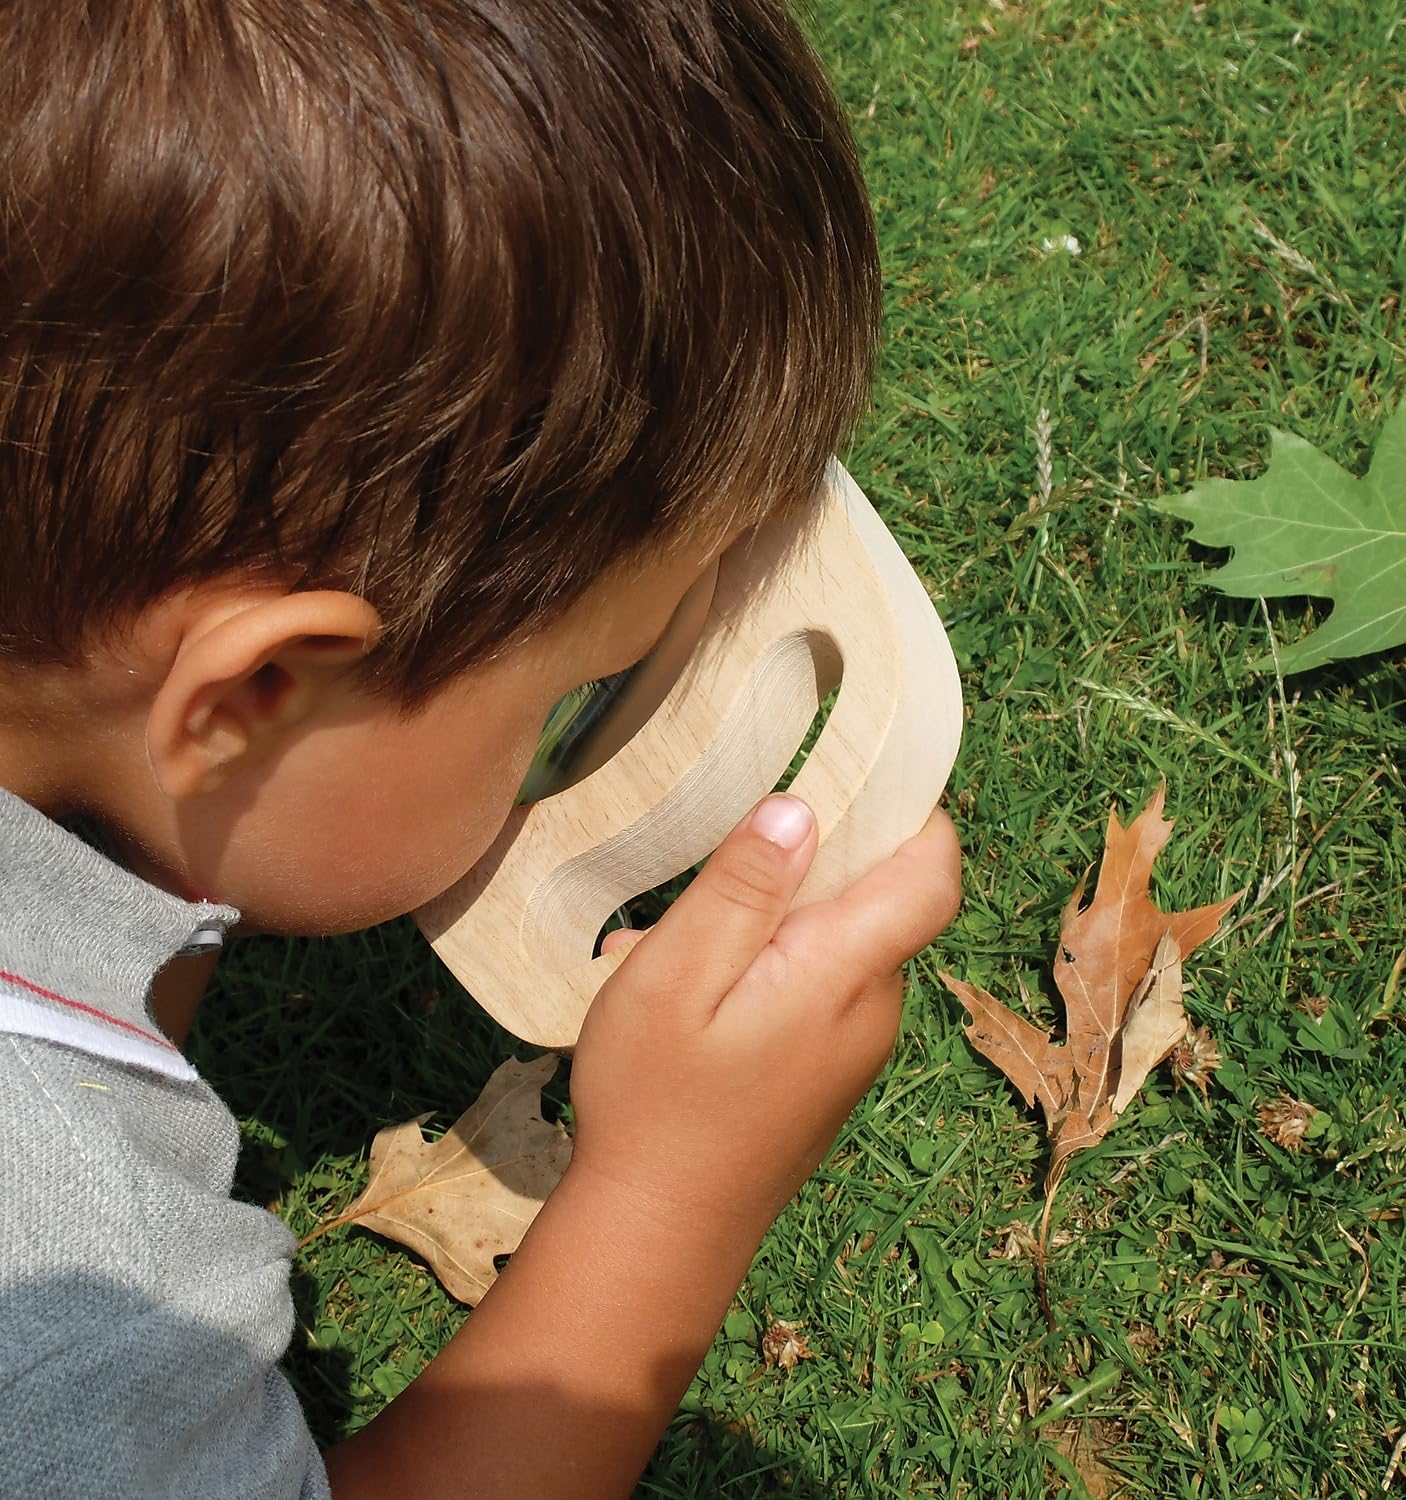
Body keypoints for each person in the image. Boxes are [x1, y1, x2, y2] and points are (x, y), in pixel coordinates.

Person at [0, 2, 962, 1496]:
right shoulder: (67, 1286)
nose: (573, 747)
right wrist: (666, 1194)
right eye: (574, 702)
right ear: (254, 703)